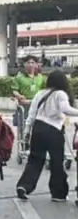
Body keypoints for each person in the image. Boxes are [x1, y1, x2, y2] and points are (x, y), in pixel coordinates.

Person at [16, 70, 78, 202]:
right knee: (56, 161)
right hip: (53, 130)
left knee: (34, 160)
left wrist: (27, 131)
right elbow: (65, 109)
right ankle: (58, 193)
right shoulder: (60, 94)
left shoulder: (40, 93)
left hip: (38, 128)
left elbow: (31, 115)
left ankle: (24, 186)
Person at [11, 55, 46, 146]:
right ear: (24, 64)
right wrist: (19, 96)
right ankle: (24, 142)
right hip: (24, 105)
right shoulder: (19, 77)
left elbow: (45, 90)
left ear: (36, 65)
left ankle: (36, 143)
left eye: (33, 62)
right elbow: (14, 90)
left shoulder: (41, 77)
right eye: (28, 62)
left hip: (38, 105)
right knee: (24, 125)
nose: (30, 64)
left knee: (38, 125)